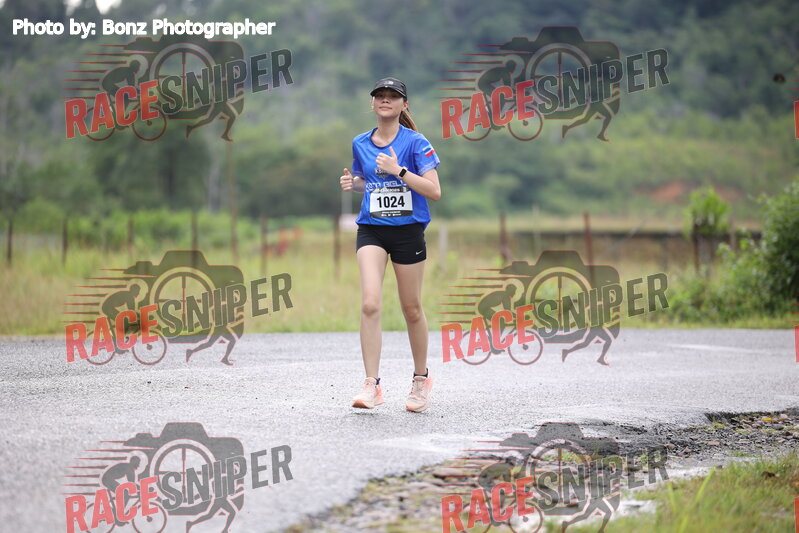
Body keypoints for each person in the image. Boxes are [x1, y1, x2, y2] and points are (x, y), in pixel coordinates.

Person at [339, 77, 441, 412]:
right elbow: (369, 181)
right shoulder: (360, 142)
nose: (385, 100)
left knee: (412, 308)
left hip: (408, 230)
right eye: (380, 95)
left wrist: (399, 170)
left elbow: (434, 191)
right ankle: (372, 384)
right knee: (370, 303)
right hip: (372, 229)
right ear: (372, 103)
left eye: (392, 96)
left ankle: (421, 380)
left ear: (403, 105)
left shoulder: (416, 143)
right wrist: (353, 183)